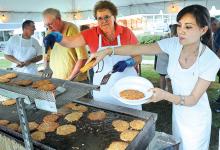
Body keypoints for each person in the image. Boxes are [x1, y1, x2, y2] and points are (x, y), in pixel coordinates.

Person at [87, 5, 220, 150]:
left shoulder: (210, 60)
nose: (180, 30)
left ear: (203, 30)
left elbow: (193, 99)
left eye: (188, 27)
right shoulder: (174, 44)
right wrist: (109, 50)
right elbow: (138, 48)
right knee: (179, 144)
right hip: (178, 112)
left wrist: (164, 95)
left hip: (197, 117)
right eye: (179, 25)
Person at [43, 1, 142, 110]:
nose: (103, 21)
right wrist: (56, 37)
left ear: (114, 16)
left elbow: (138, 57)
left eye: (106, 17)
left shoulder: (126, 32)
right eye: (99, 18)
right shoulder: (91, 33)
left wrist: (129, 62)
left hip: (128, 87)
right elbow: (70, 41)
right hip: (103, 90)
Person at [42, 8, 88, 81]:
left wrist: (69, 80)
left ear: (59, 19)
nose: (49, 28)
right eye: (46, 25)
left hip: (75, 81)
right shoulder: (50, 32)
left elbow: (83, 58)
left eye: (50, 24)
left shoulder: (72, 29)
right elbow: (47, 55)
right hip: (56, 79)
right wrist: (46, 67)